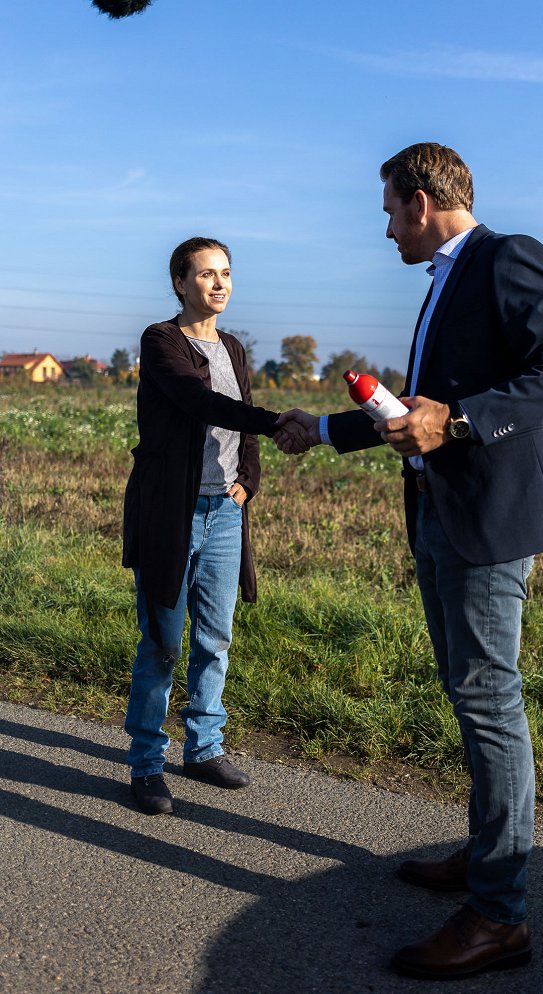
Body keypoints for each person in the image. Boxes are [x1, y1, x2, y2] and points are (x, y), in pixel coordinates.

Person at [276, 143, 543, 981]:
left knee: (489, 698)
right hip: (440, 515)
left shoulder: (505, 256)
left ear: (419, 202)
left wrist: (454, 424)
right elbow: (413, 409)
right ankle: (490, 854)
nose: (385, 231)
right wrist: (326, 428)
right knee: (468, 690)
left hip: (487, 524)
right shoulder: (446, 279)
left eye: (387, 212)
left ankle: (498, 915)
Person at [122, 236, 307, 816]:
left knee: (215, 637)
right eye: (206, 275)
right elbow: (199, 403)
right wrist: (281, 421)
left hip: (225, 512)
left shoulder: (232, 347)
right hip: (170, 512)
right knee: (163, 643)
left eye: (226, 273)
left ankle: (203, 748)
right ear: (180, 283)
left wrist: (249, 479)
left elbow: (240, 429)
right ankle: (147, 764)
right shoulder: (161, 342)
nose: (219, 284)